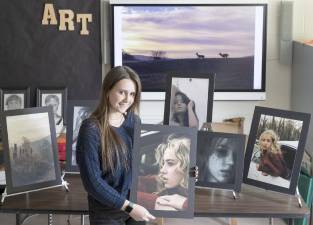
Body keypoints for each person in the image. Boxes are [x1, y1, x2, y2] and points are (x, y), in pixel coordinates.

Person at [76, 66, 155, 225]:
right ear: (107, 91)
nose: (128, 99)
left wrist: (188, 172)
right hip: (107, 214)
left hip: (135, 206)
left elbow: (140, 165)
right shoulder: (91, 129)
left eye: (132, 94)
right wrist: (129, 207)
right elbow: (93, 183)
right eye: (122, 92)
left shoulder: (134, 122)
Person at [137, 135, 190, 211]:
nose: (162, 170)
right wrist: (155, 202)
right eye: (163, 163)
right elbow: (127, 188)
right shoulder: (159, 181)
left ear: (187, 166)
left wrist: (185, 203)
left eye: (170, 163)